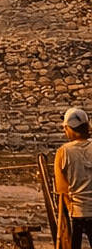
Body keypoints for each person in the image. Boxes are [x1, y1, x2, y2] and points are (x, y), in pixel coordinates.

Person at [56, 107, 92, 249]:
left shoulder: (63, 152)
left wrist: (70, 208)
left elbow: (61, 189)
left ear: (69, 129)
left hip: (78, 211)